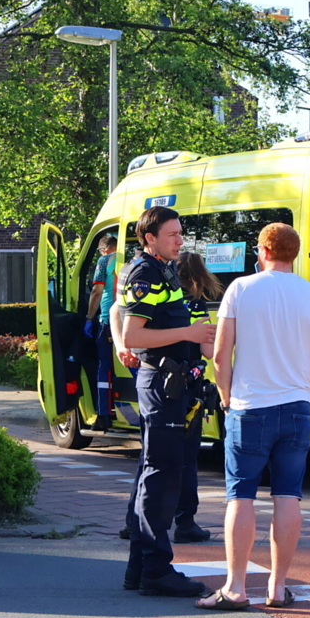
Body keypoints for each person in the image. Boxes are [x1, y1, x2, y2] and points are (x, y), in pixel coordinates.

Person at [196, 223, 310, 611]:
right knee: (288, 495)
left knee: (240, 496)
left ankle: (236, 587)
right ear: (295, 253)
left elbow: (222, 355)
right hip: (296, 408)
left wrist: (226, 397)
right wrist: (308, 399)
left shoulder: (240, 289)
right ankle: (277, 587)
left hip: (249, 407)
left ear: (262, 251)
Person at [119, 206, 217, 598]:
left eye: (180, 233)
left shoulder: (162, 269)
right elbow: (133, 336)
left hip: (168, 382)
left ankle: (140, 567)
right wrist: (191, 332)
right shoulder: (146, 273)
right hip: (161, 383)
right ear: (150, 238)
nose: (180, 240)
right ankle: (157, 570)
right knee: (162, 478)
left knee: (155, 474)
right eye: (173, 234)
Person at [172, 251, 224, 544]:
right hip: (187, 388)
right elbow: (207, 350)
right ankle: (185, 522)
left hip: (159, 386)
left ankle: (136, 520)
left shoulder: (163, 301)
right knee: (187, 459)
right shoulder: (195, 304)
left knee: (152, 458)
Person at [85, 234, 117, 431]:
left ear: (104, 249)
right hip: (131, 318)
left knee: (104, 367)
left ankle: (103, 414)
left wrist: (89, 318)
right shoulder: (131, 259)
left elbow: (97, 292)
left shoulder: (105, 260)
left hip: (108, 319)